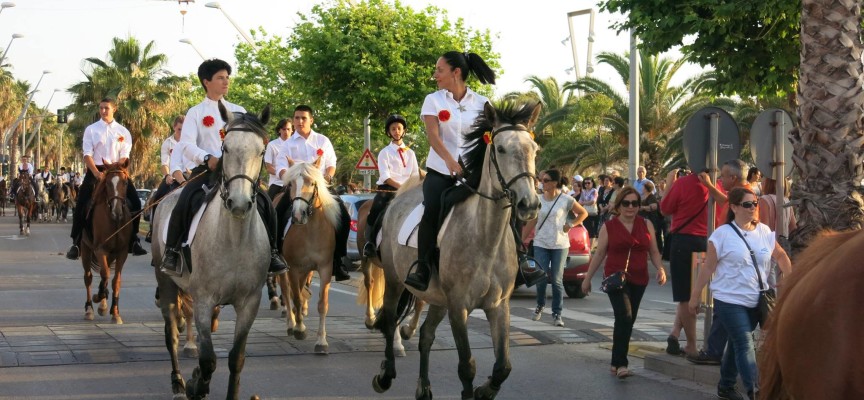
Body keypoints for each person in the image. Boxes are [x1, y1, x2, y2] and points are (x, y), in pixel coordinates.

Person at [403, 50, 545, 291]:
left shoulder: (482, 103)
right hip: (441, 171)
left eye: (440, 70)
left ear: (455, 73)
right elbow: (433, 137)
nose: (435, 74)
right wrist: (450, 161)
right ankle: (423, 266)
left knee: (506, 203)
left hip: (474, 173)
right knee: (432, 207)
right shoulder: (433, 100)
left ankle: (521, 259)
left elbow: (498, 136)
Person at [160, 59, 287, 276]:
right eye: (220, 77)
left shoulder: (239, 111)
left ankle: (273, 252)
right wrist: (207, 157)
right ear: (206, 81)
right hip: (208, 172)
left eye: (227, 77)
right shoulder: (196, 112)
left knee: (265, 202)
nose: (226, 81)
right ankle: (171, 251)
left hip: (239, 173)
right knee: (185, 198)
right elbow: (186, 145)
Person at [689, 187, 791, 400]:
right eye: (747, 204)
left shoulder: (763, 231)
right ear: (733, 207)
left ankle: (725, 386)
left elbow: (781, 257)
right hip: (729, 300)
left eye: (755, 203)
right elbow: (708, 268)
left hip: (757, 300)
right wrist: (695, 296)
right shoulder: (722, 235)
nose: (753, 208)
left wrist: (788, 279)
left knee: (736, 345)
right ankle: (757, 391)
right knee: (745, 342)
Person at [582, 186, 667, 378]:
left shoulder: (646, 224)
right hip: (615, 279)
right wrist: (587, 279)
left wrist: (660, 268)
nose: (631, 207)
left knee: (628, 321)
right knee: (624, 317)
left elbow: (653, 251)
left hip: (639, 278)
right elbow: (600, 254)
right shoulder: (609, 226)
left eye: (635, 203)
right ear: (619, 205)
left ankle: (615, 361)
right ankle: (621, 363)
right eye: (626, 203)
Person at [273, 104, 351, 282]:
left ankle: (338, 259)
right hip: (296, 188)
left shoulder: (322, 140)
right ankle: (275, 255)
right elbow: (280, 167)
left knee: (344, 217)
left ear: (311, 120)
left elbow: (331, 162)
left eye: (303, 118)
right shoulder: (287, 144)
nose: (300, 121)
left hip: (320, 188)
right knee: (276, 214)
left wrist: (329, 176)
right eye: (297, 118)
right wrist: (290, 178)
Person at [686, 159, 752, 365]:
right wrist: (709, 186)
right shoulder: (738, 195)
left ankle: (717, 354)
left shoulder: (745, 195)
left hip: (734, 263)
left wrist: (708, 186)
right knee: (724, 309)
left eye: (723, 175)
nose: (720, 179)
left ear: (733, 178)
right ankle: (715, 353)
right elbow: (724, 200)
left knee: (725, 309)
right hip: (731, 259)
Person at [66, 97, 148, 260]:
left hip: (117, 170)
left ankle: (133, 240)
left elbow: (125, 155)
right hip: (96, 171)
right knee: (82, 203)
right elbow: (87, 154)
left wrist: (116, 167)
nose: (103, 111)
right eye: (101, 108)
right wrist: (97, 173)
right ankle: (76, 242)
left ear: (114, 109)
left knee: (136, 202)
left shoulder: (123, 131)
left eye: (106, 108)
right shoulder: (91, 130)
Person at [529, 169, 587, 327]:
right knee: (540, 277)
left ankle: (557, 314)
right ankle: (540, 305)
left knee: (556, 279)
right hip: (540, 243)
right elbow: (532, 222)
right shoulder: (538, 199)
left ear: (555, 183)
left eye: (546, 180)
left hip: (560, 244)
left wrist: (571, 224)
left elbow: (583, 213)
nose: (543, 183)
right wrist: (520, 240)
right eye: (542, 180)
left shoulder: (566, 200)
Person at [363, 114, 420, 257]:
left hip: (409, 190)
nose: (396, 131)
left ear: (404, 131)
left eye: (399, 128)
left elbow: (415, 174)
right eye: (393, 129)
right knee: (376, 208)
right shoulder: (385, 152)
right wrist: (401, 187)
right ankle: (370, 243)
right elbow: (385, 176)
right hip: (388, 189)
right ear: (389, 132)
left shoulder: (411, 153)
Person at [145, 115, 193, 243]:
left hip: (189, 174)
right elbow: (164, 163)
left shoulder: (191, 141)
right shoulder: (168, 143)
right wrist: (167, 176)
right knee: (158, 196)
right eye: (179, 129)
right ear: (174, 127)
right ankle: (153, 230)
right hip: (172, 175)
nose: (182, 132)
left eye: (184, 129)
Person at [758, 177, 796, 289]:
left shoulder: (765, 199)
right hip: (784, 242)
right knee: (780, 277)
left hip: (770, 243)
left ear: (768, 183)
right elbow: (793, 226)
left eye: (764, 180)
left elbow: (764, 225)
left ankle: (771, 303)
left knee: (769, 279)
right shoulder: (786, 200)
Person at [264, 118, 292, 200]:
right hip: (277, 183)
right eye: (283, 129)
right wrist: (284, 176)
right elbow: (269, 168)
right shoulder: (272, 145)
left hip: (294, 183)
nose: (286, 132)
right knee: (268, 206)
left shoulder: (296, 145)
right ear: (279, 130)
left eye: (288, 129)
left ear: (292, 130)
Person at [638, 181, 663, 253]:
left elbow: (654, 206)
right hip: (643, 219)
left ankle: (656, 251)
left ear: (646, 188)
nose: (641, 188)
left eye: (643, 187)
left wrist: (642, 207)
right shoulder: (642, 196)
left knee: (652, 236)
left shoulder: (651, 197)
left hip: (651, 219)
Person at [579, 177, 599, 248]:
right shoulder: (583, 191)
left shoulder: (594, 191)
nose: (587, 184)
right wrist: (585, 202)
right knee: (586, 229)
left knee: (592, 231)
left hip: (592, 213)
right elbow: (579, 201)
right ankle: (587, 246)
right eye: (585, 183)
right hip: (584, 213)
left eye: (588, 183)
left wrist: (584, 202)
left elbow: (593, 201)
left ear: (592, 183)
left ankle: (590, 248)